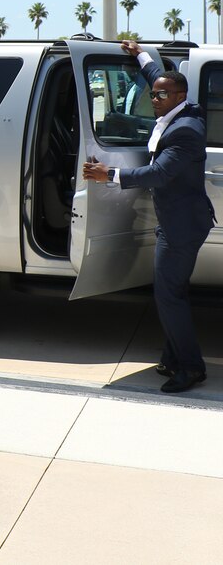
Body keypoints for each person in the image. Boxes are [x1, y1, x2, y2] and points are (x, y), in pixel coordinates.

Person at [83, 40, 215, 394]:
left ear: (177, 96)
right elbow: (158, 76)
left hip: (182, 225)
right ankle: (173, 358)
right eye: (153, 95)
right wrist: (140, 54)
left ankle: (190, 367)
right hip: (177, 220)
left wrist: (107, 174)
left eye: (158, 97)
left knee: (169, 295)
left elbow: (158, 175)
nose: (152, 99)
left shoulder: (186, 130)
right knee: (172, 291)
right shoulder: (177, 108)